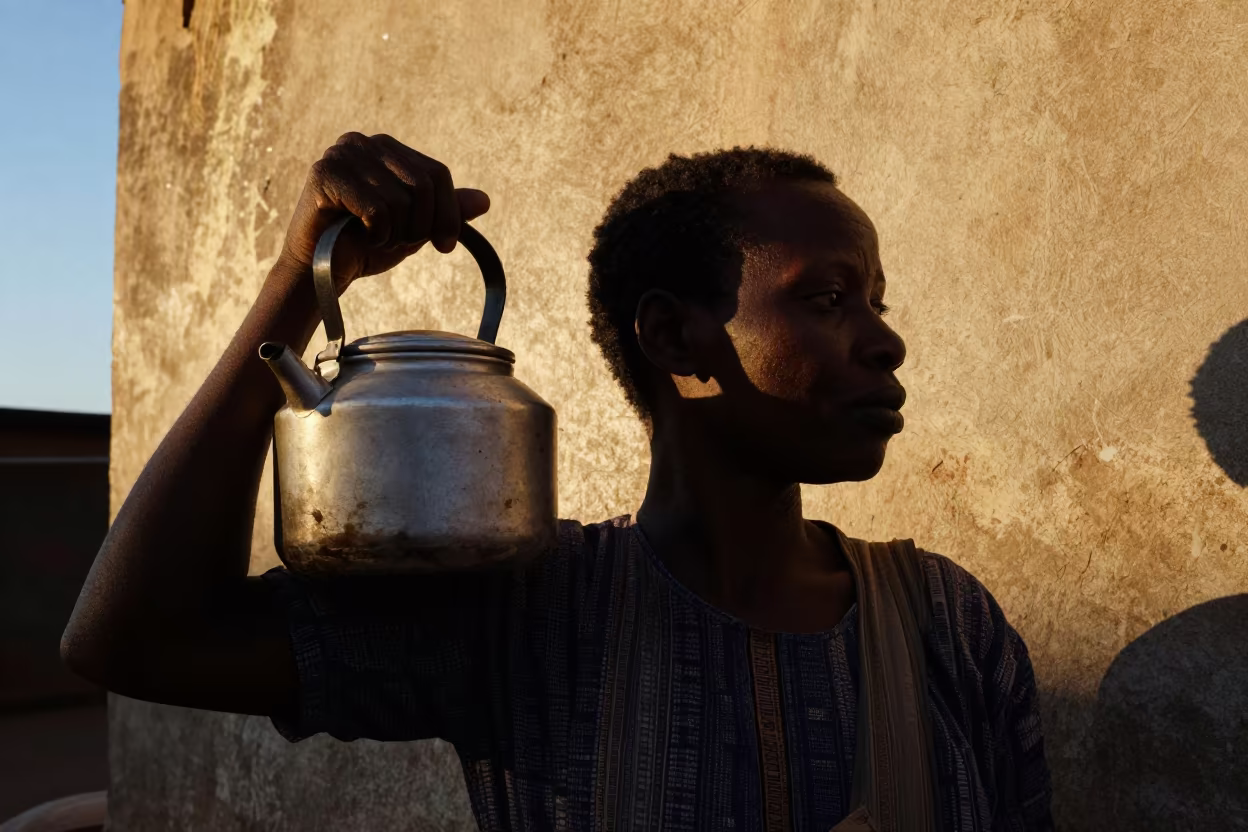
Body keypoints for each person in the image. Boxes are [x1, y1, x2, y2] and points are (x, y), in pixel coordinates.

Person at [62, 132, 1054, 831]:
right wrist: (298, 279)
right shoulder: (519, 615)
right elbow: (134, 638)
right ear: (673, 336)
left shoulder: (945, 624)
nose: (885, 340)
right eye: (830, 299)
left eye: (877, 299)